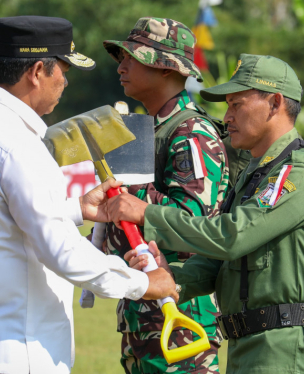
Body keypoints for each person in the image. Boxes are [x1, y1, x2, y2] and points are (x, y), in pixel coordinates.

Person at [0, 16, 176, 374]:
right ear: (38, 71)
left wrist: (76, 209)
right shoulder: (17, 141)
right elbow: (60, 250)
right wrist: (142, 283)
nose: (65, 80)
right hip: (14, 349)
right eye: (62, 69)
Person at [108, 54, 304, 374]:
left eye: (237, 105)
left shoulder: (298, 171)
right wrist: (171, 278)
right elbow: (218, 261)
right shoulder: (256, 174)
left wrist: (148, 213)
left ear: (274, 103)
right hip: (252, 343)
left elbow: (233, 236)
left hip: (287, 348)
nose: (227, 116)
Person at [100, 17, 229, 374]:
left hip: (180, 313)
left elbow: (194, 221)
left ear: (166, 69)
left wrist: (134, 200)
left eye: (133, 57)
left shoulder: (191, 132)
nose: (121, 67)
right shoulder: (147, 130)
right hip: (143, 313)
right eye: (121, 57)